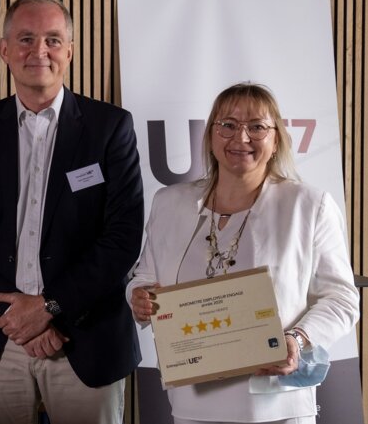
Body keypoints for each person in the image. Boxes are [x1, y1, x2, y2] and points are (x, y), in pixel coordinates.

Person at [0, 0, 144, 424]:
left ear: (69, 50)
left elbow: (122, 239)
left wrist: (48, 308)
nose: (39, 51)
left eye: (52, 39)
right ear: (4, 49)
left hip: (85, 339)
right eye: (26, 39)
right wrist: (13, 316)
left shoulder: (110, 128)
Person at [127, 83, 360, 424]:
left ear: (276, 138)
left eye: (257, 126)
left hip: (276, 402)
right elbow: (145, 275)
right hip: (193, 400)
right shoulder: (169, 203)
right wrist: (139, 296)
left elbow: (342, 299)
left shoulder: (309, 206)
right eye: (228, 125)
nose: (241, 137)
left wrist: (296, 340)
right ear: (210, 136)